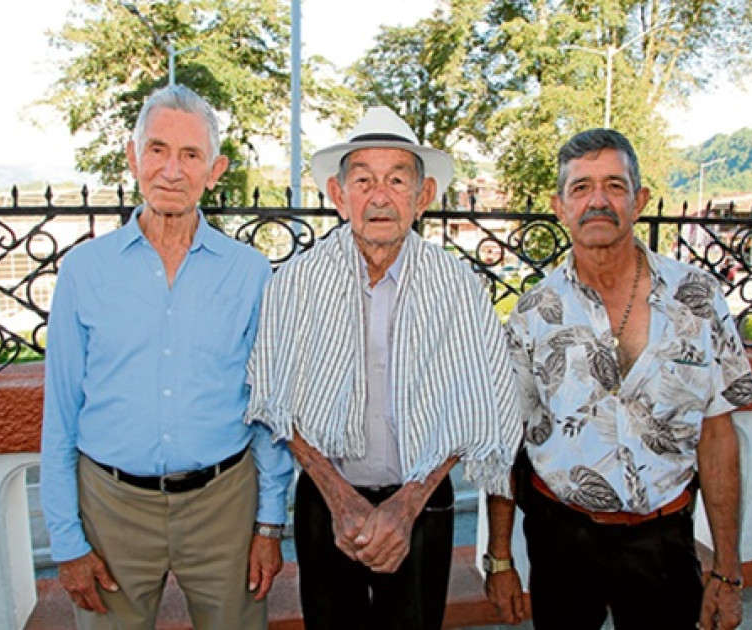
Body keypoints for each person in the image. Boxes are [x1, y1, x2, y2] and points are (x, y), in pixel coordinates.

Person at [247, 106, 523, 630]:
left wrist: (407, 504)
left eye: (397, 180)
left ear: (423, 197)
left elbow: (479, 402)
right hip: (325, 500)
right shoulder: (296, 282)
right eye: (364, 180)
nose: (379, 196)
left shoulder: (457, 286)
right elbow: (276, 399)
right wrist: (340, 498)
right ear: (338, 194)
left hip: (423, 502)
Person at [485, 128, 752, 630]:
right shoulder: (532, 313)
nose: (598, 201)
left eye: (614, 186)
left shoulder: (698, 299)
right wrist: (500, 559)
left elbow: (719, 437)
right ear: (559, 206)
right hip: (559, 538)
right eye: (581, 188)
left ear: (639, 200)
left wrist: (728, 570)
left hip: (662, 541)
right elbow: (506, 443)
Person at [40, 84, 294, 630]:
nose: (171, 171)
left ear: (215, 169)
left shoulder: (249, 273)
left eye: (190, 155)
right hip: (110, 509)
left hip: (223, 506)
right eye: (157, 149)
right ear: (133, 158)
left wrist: (269, 523)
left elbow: (268, 407)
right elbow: (60, 413)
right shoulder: (85, 271)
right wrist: (66, 540)